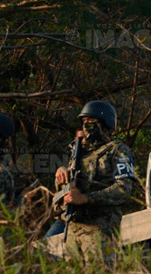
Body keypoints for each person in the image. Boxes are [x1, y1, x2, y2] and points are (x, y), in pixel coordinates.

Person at [45, 101, 137, 258]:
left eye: (92, 122)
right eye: (84, 122)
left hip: (100, 229)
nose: (87, 126)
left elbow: (123, 189)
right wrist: (61, 176)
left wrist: (86, 198)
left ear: (104, 124)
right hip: (73, 230)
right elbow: (67, 191)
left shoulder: (118, 151)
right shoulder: (79, 154)